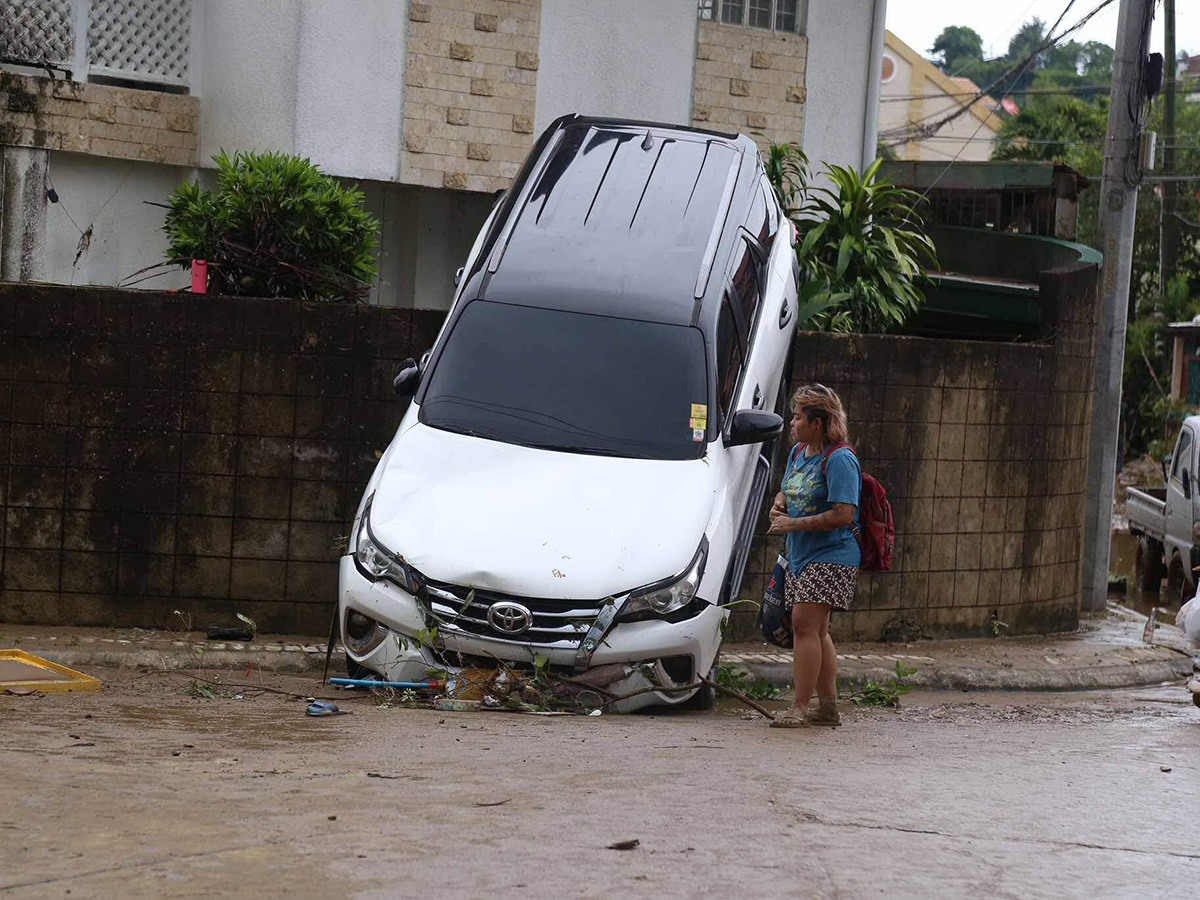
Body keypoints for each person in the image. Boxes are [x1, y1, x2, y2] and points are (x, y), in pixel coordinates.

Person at [766, 384, 860, 728]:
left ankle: (800, 707)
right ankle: (828, 706)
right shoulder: (798, 453)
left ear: (817, 423)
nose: (792, 422)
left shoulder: (840, 460)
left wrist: (793, 523)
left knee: (804, 626)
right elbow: (788, 489)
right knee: (817, 631)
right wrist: (779, 504)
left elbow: (843, 514)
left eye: (798, 417)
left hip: (833, 555)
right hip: (800, 554)